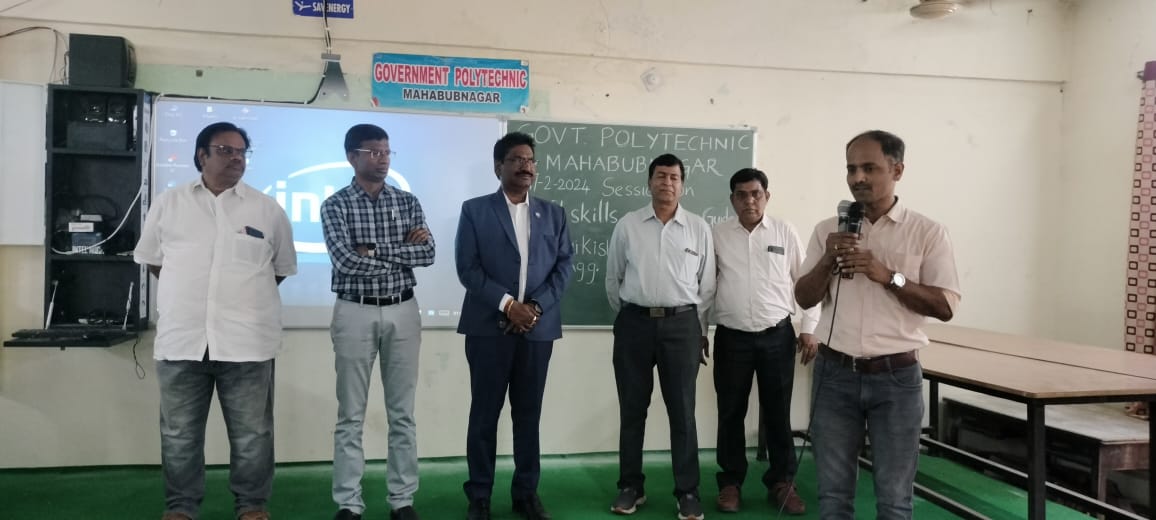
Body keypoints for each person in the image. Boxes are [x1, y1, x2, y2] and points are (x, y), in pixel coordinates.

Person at [134, 122, 297, 520]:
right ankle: (181, 507)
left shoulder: (267, 209)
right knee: (179, 435)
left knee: (253, 436)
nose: (236, 158)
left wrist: (236, 297)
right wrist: (194, 294)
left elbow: (278, 269)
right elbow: (154, 261)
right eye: (225, 150)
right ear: (201, 155)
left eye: (241, 152)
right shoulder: (169, 203)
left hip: (247, 343)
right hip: (182, 341)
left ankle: (251, 506)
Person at [794, 130, 960, 520]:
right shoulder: (827, 230)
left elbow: (945, 306)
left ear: (897, 170)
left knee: (894, 499)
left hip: (896, 378)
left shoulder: (927, 232)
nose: (857, 178)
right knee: (833, 497)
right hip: (834, 375)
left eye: (869, 168)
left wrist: (890, 277)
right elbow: (804, 297)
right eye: (851, 169)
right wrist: (827, 260)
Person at [455, 131, 573, 520]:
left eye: (530, 160)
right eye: (517, 159)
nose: (526, 165)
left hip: (537, 330)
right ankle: (479, 495)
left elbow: (564, 267)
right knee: (484, 415)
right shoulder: (475, 210)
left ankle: (526, 493)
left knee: (528, 415)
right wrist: (508, 305)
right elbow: (468, 268)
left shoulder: (554, 214)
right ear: (498, 167)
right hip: (489, 329)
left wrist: (533, 308)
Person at [321, 124, 435, 520]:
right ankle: (349, 503)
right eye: (373, 152)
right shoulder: (335, 205)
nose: (383, 159)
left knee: (402, 413)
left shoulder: (407, 201)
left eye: (387, 152)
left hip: (403, 309)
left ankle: (402, 500)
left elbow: (428, 254)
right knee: (350, 414)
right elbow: (344, 261)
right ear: (352, 157)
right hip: (354, 310)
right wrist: (400, 251)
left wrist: (372, 249)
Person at [605, 153, 716, 520]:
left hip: (682, 327)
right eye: (660, 176)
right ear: (649, 181)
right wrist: (632, 316)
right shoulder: (628, 225)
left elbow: (707, 287)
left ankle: (687, 492)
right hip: (634, 324)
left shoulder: (698, 228)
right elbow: (613, 279)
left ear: (682, 185)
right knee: (632, 409)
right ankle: (630, 487)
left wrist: (698, 330)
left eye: (674, 177)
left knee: (683, 412)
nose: (667, 182)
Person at [710, 167, 819, 515]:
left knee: (777, 412)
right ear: (732, 199)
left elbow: (806, 282)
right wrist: (698, 331)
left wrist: (809, 327)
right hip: (732, 338)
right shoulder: (717, 235)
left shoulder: (785, 231)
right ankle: (730, 483)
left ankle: (782, 482)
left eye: (756, 194)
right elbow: (705, 287)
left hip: (777, 336)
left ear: (766, 197)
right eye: (741, 195)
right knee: (730, 412)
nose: (749, 201)